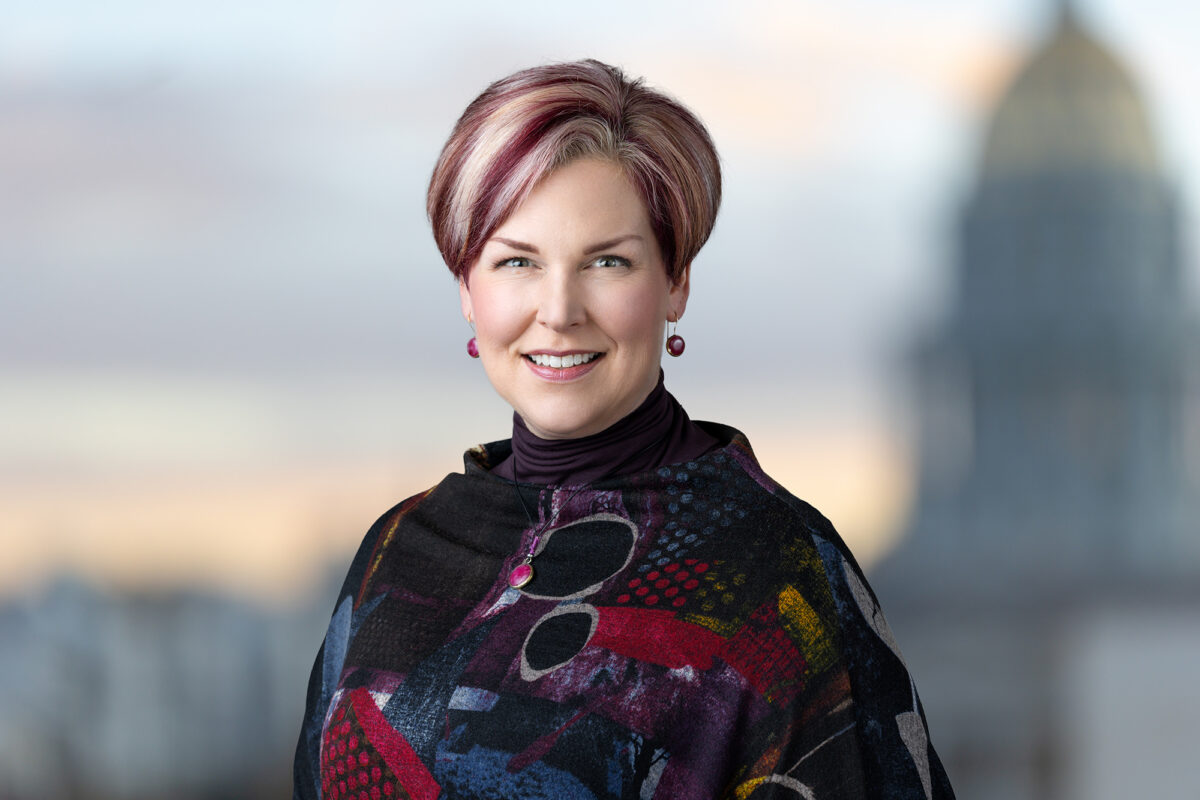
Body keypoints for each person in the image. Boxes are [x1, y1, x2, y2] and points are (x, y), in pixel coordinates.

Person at [294, 59, 953, 800]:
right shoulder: (398, 549)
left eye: (608, 260)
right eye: (517, 261)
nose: (559, 309)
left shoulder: (771, 572)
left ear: (676, 281)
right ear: (467, 291)